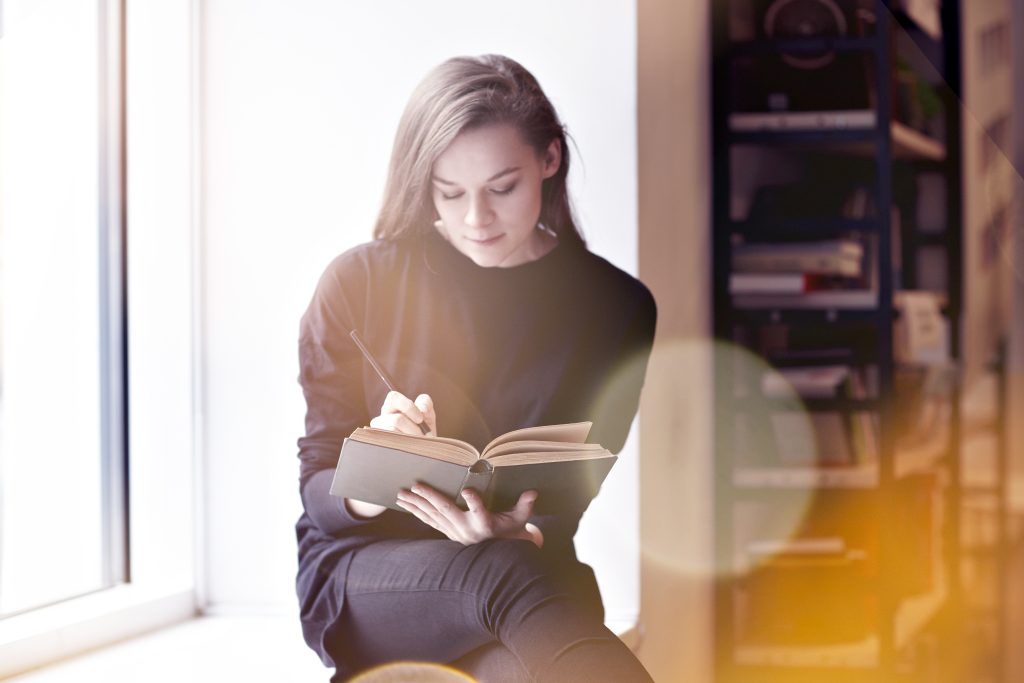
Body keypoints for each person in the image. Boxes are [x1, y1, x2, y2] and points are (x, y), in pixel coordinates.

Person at [295, 54, 657, 682]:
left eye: (502, 187)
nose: (475, 220)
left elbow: (569, 496)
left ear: (550, 160)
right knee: (512, 583)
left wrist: (518, 531)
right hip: (367, 571)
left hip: (520, 571)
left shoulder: (619, 307)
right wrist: (376, 467)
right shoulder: (358, 282)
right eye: (449, 193)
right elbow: (318, 493)